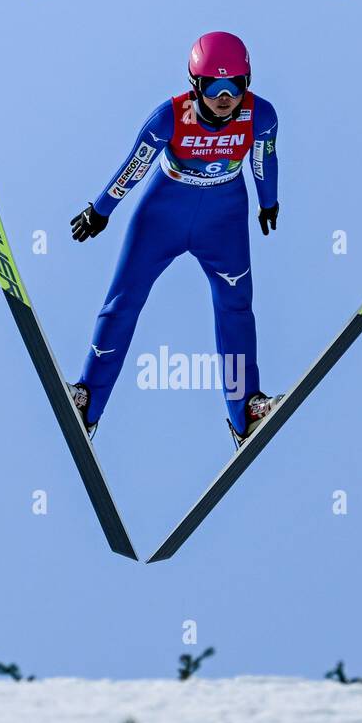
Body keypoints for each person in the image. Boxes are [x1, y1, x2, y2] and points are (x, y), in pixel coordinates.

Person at [67, 31, 282, 449]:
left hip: (224, 219)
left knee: (236, 309)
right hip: (163, 214)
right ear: (195, 85)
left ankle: (246, 410)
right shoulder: (169, 117)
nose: (225, 97)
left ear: (248, 82)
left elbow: (264, 158)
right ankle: (88, 401)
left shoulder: (261, 115)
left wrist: (268, 202)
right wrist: (100, 209)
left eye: (235, 85)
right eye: (214, 87)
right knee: (123, 300)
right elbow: (135, 165)